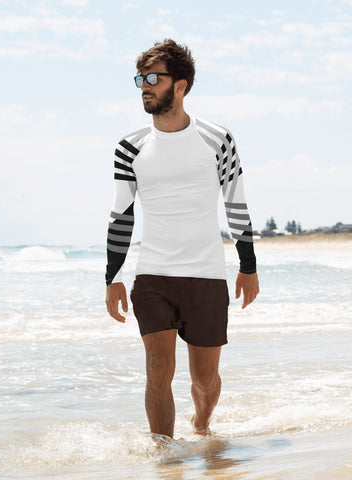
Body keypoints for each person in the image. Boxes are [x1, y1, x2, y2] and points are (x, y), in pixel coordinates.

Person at [105, 39, 259, 439]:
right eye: (140, 78)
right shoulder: (129, 147)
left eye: (154, 78)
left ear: (181, 85)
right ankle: (164, 457)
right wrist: (113, 277)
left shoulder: (217, 139)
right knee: (158, 368)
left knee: (205, 380)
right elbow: (122, 214)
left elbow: (236, 204)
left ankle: (203, 423)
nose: (144, 86)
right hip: (153, 275)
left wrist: (248, 266)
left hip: (206, 275)